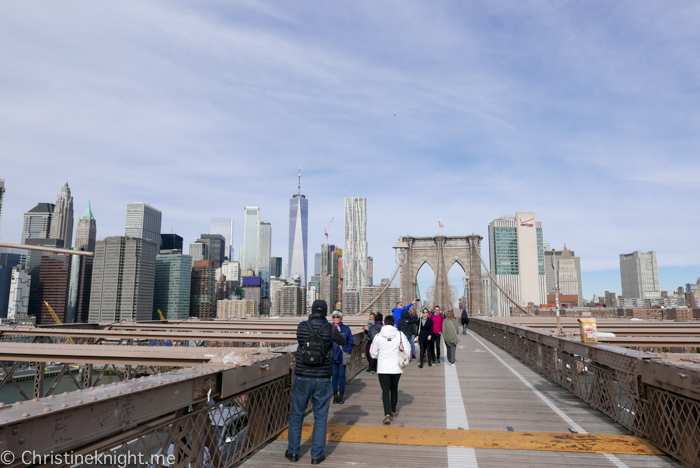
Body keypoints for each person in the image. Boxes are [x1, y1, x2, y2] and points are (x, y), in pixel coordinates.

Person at [286, 300, 347, 465]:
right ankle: (316, 455)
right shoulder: (330, 328)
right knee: (320, 418)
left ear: (311, 310)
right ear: (326, 312)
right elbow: (343, 341)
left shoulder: (301, 327)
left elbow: (300, 342)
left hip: (302, 376)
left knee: (297, 416)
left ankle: (292, 453)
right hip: (322, 377)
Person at [370, 315, 411, 425]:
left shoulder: (378, 336)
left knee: (385, 391)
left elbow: (373, 353)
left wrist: (381, 356)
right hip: (396, 368)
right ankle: (393, 410)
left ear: (384, 323)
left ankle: (387, 414)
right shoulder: (400, 335)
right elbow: (407, 350)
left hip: (383, 368)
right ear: (394, 324)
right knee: (394, 389)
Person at [331, 310, 354, 404]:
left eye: (338, 317)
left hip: (342, 356)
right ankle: (335, 395)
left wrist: (347, 350)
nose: (336, 319)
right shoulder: (330, 328)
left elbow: (351, 341)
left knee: (341, 376)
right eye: (334, 317)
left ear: (341, 318)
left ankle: (341, 396)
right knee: (334, 376)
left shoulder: (346, 328)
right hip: (332, 357)